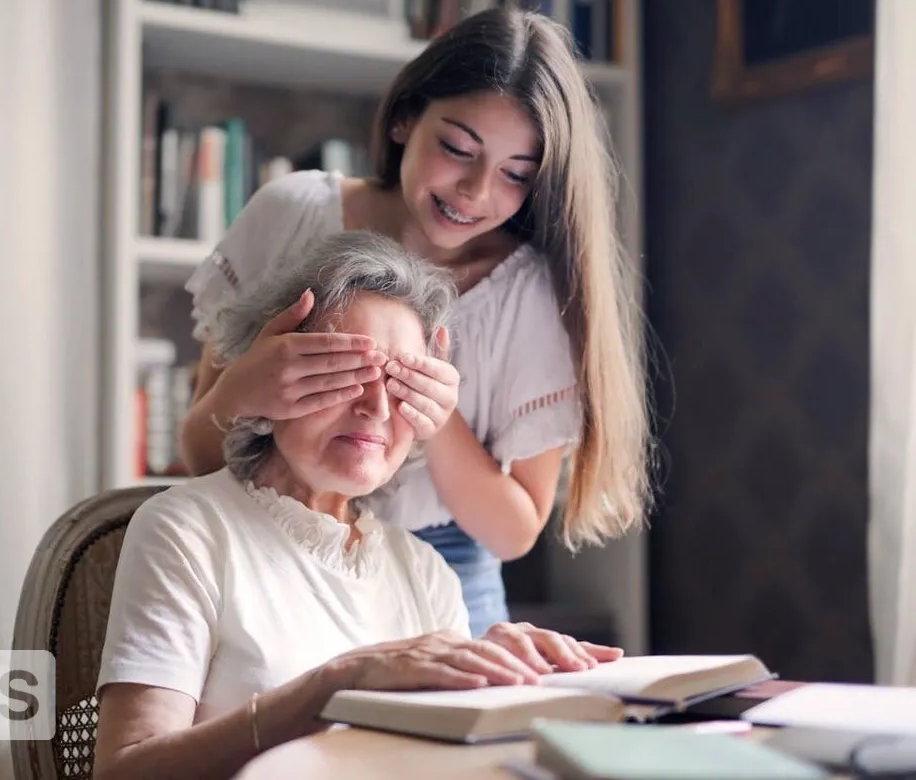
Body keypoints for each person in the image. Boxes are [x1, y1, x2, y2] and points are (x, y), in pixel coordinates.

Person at [178, 7, 652, 637]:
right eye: (457, 148)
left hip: (447, 574)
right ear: (405, 119)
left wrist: (431, 411)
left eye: (516, 174)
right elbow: (197, 456)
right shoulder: (290, 214)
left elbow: (514, 532)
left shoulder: (529, 295)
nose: (475, 191)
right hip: (270, 548)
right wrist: (244, 389)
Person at [93, 231, 623, 780]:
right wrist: (339, 681)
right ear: (276, 376)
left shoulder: (427, 575)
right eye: (346, 372)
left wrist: (510, 682)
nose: (375, 407)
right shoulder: (186, 532)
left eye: (402, 384)